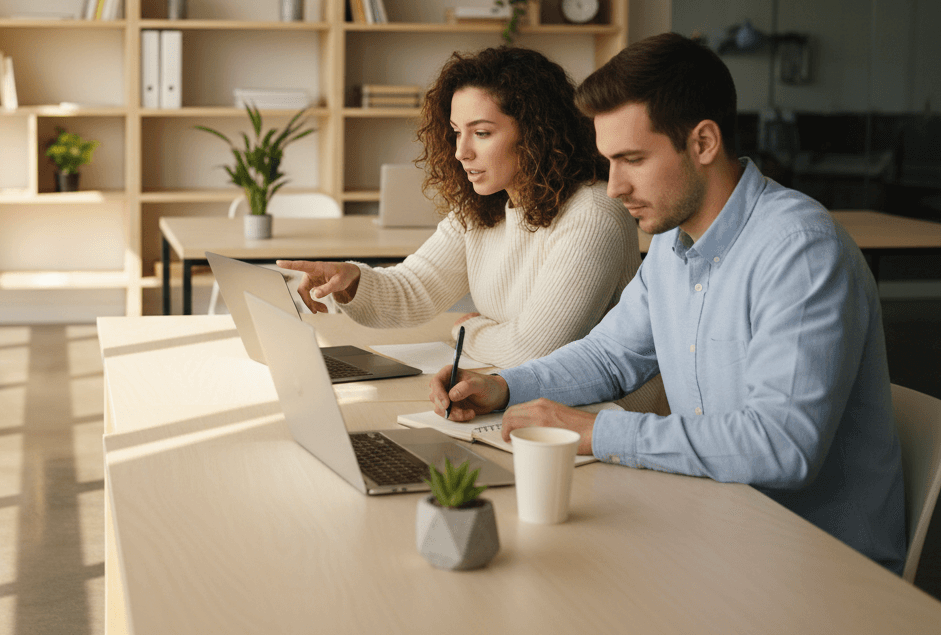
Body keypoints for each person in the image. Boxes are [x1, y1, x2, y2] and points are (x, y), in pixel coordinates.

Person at [430, 32, 907, 573]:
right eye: (608, 161)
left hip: (816, 566)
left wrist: (597, 432)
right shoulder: (672, 246)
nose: (612, 187)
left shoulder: (799, 251)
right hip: (717, 528)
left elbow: (781, 446)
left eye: (632, 159)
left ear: (703, 143)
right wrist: (505, 386)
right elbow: (610, 357)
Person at [278, 46, 639, 368]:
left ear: (536, 133)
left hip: (594, 421)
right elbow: (413, 289)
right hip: (519, 397)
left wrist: (468, 329)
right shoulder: (484, 208)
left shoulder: (592, 214)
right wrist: (352, 280)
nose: (460, 152)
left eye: (481, 133)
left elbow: (534, 351)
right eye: (455, 131)